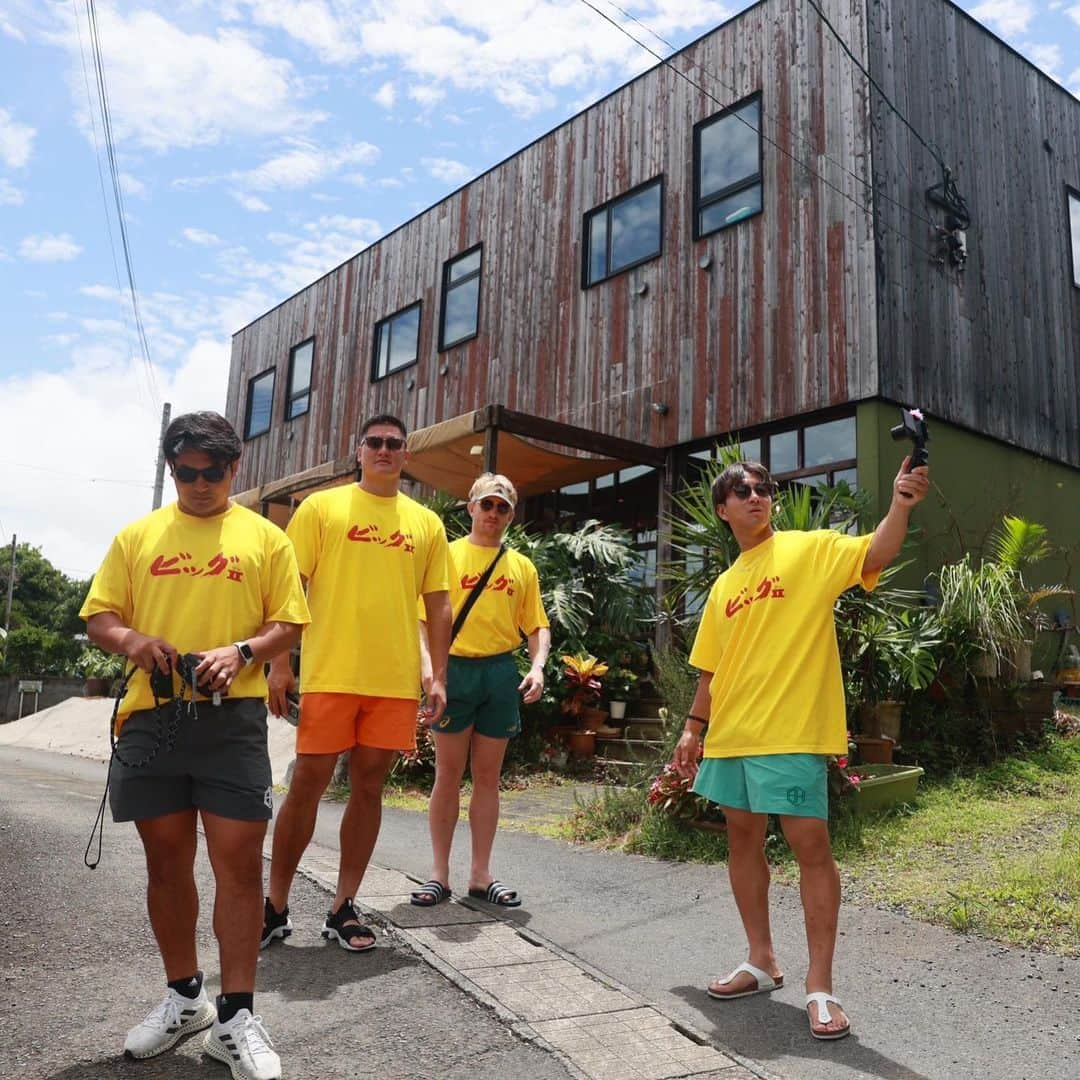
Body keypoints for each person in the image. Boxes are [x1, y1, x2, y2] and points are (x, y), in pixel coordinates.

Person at [80, 411, 310, 1079]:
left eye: (213, 472)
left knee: (239, 865)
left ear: (235, 469)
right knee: (165, 863)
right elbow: (100, 615)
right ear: (171, 468)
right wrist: (134, 641)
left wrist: (240, 651)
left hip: (232, 718)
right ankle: (185, 998)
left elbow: (288, 623)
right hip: (153, 718)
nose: (200, 483)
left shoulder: (266, 538)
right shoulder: (138, 536)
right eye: (186, 472)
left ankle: (236, 1016)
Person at [671, 454, 929, 1042]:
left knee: (809, 844)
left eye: (763, 489)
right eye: (742, 491)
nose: (756, 497)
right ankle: (761, 960)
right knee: (742, 838)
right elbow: (711, 668)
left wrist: (900, 505)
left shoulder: (809, 550)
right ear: (723, 509)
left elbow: (875, 552)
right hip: (731, 732)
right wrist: (693, 726)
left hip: (790, 730)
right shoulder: (723, 585)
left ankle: (820, 986)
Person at [263, 414, 452, 952]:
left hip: (393, 682)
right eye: (376, 442)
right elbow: (289, 591)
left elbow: (438, 604)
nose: (385, 450)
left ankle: (343, 905)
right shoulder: (322, 508)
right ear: (359, 449)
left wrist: (438, 676)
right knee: (307, 785)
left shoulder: (425, 523)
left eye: (395, 444)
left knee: (370, 787)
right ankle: (274, 904)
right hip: (331, 674)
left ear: (406, 456)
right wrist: (281, 663)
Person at [411, 474, 550, 909]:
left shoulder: (521, 566)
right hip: (454, 671)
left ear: (511, 514)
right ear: (470, 507)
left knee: (489, 778)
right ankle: (438, 875)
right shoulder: (446, 556)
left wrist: (539, 666)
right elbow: (421, 620)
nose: (493, 514)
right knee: (447, 774)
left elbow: (537, 625)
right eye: (486, 505)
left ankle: (480, 874)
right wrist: (432, 674)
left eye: (502, 507)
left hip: (498, 672)